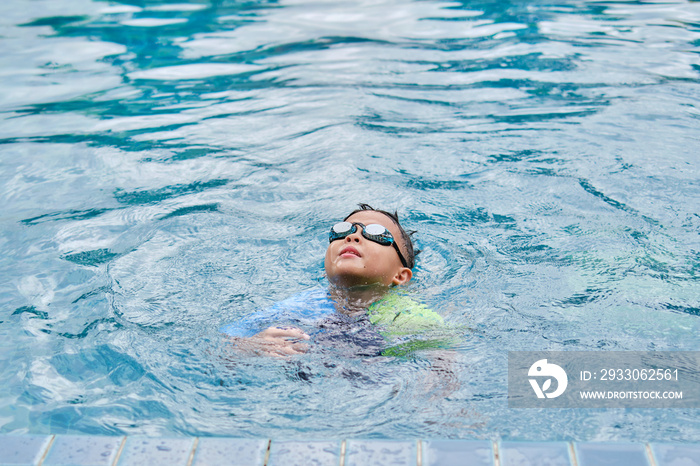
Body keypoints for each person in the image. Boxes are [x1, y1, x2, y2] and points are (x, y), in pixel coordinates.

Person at [220, 204, 450, 358]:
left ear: (400, 275)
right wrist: (251, 346)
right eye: (341, 231)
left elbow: (447, 356)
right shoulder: (302, 304)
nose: (352, 236)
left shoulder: (406, 315)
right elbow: (222, 346)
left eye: (377, 234)